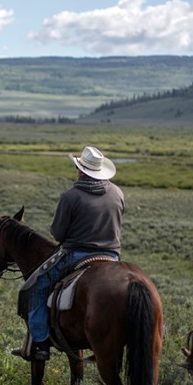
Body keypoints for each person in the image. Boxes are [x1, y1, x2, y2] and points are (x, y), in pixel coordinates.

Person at [18, 145, 124, 361]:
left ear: (81, 170)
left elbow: (57, 233)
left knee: (36, 286)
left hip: (77, 255)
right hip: (112, 257)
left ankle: (39, 344)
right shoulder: (117, 193)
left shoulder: (71, 196)